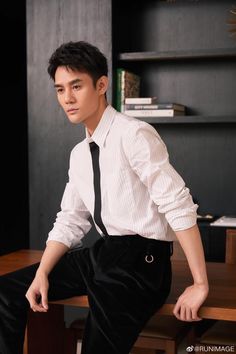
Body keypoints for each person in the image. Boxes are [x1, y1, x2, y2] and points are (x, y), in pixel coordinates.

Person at [0, 41, 209, 354]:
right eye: (59, 90)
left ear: (101, 85)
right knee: (6, 291)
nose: (67, 98)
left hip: (142, 264)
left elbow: (178, 205)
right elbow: (70, 219)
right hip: (103, 254)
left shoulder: (134, 134)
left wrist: (200, 283)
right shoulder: (79, 154)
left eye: (76, 86)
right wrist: (42, 273)